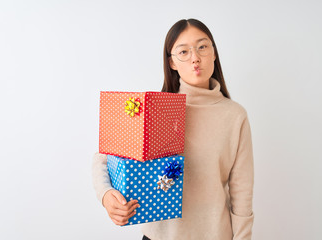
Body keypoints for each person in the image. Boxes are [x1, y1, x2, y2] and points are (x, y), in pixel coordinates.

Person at [92, 18, 254, 240]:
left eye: (202, 47)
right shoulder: (154, 109)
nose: (195, 58)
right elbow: (103, 158)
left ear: (214, 53)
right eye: (184, 52)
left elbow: (242, 192)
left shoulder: (235, 115)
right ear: (172, 63)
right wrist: (106, 195)